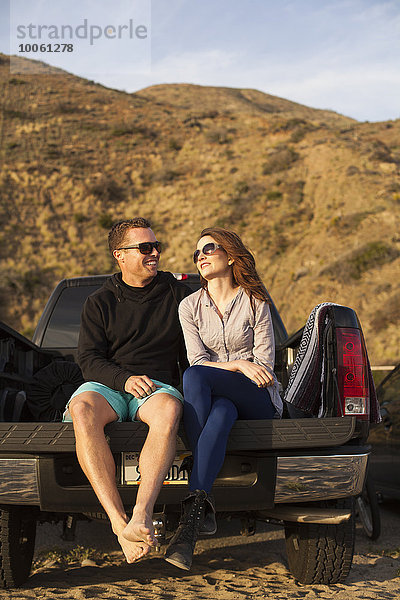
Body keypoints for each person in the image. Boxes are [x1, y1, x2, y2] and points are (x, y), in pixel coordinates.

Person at [62, 217, 190, 564]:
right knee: (83, 408)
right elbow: (88, 358)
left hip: (157, 386)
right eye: (145, 247)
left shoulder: (178, 293)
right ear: (120, 255)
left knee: (168, 410)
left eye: (156, 246)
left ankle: (142, 516)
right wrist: (123, 380)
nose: (155, 253)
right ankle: (119, 524)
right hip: (110, 385)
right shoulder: (99, 302)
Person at [164, 226, 282, 570]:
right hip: (224, 399)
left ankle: (196, 470)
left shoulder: (256, 301)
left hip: (259, 398)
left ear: (230, 256)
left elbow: (264, 368)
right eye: (196, 253)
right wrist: (239, 364)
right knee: (221, 411)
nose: (201, 256)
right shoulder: (189, 307)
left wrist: (245, 367)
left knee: (195, 377)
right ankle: (194, 516)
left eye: (209, 249)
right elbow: (197, 357)